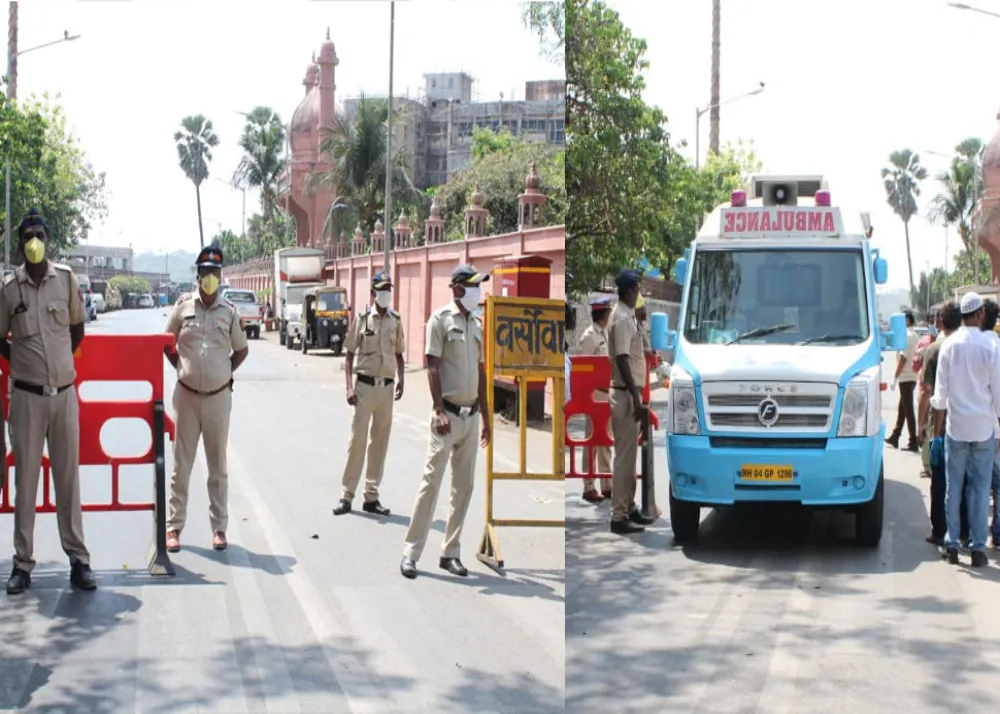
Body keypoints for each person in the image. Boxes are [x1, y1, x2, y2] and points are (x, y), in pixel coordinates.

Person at [0, 208, 96, 594]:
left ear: (47, 240)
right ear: (20, 244)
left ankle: (79, 559)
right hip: (26, 398)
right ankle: (22, 565)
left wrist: (58, 364)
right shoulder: (9, 290)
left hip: (64, 397)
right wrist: (25, 364)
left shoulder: (67, 280)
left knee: (68, 479)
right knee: (26, 481)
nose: (34, 242)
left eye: (39, 234)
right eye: (28, 236)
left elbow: (77, 328)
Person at [400, 264, 491, 579]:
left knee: (463, 488)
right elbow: (432, 368)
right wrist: (438, 409)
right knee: (431, 484)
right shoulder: (440, 321)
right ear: (456, 288)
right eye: (472, 286)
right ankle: (411, 552)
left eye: (479, 286)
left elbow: (480, 372)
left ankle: (450, 552)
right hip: (447, 416)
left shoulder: (477, 324)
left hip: (471, 416)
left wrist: (487, 417)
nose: (478, 292)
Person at [163, 246, 249, 553]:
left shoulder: (229, 312)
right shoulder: (183, 307)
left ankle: (219, 528)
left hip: (217, 399)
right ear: (197, 276)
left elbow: (241, 350)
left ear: (220, 276)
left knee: (218, 466)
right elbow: (166, 342)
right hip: (185, 397)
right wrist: (182, 369)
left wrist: (225, 373)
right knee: (180, 465)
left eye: (215, 273)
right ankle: (173, 528)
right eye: (205, 273)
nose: (210, 278)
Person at [930, 292, 1000, 567]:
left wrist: (936, 434)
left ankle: (951, 544)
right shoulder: (991, 346)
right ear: (980, 314)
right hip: (983, 429)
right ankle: (978, 548)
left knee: (953, 487)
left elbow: (939, 397)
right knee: (980, 489)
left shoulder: (949, 345)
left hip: (956, 428)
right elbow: (998, 394)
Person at [333, 270, 405, 517]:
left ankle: (371, 496)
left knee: (379, 444)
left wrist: (401, 379)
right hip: (364, 387)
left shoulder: (396, 320)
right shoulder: (363, 319)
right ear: (373, 293)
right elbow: (350, 353)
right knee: (358, 442)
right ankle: (346, 495)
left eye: (389, 290)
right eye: (382, 290)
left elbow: (399, 353)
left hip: (386, 388)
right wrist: (349, 387)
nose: (386, 294)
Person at [607, 269, 655, 534]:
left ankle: (628, 507)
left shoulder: (629, 317)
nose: (639, 294)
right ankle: (618, 516)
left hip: (629, 392)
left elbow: (636, 350)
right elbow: (623, 358)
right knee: (624, 459)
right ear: (628, 291)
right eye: (637, 289)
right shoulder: (622, 318)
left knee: (629, 456)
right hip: (626, 394)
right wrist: (636, 398)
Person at [918, 301, 968, 546]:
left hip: (943, 422)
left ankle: (940, 531)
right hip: (970, 423)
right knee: (966, 480)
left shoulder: (936, 349)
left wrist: (922, 428)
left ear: (940, 322)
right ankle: (966, 532)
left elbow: (928, 392)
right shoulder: (974, 345)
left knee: (940, 479)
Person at [578, 295, 614, 503]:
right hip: (595, 394)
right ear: (602, 315)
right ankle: (588, 485)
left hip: (607, 393)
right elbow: (584, 369)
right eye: (608, 312)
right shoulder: (589, 337)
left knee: (605, 439)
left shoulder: (606, 335)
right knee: (591, 440)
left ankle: (607, 484)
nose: (610, 316)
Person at [887, 310, 919, 452]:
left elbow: (903, 358)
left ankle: (913, 441)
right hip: (913, 375)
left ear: (907, 321)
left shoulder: (906, 335)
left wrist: (895, 376)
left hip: (905, 376)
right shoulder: (916, 335)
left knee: (908, 409)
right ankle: (895, 435)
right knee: (903, 408)